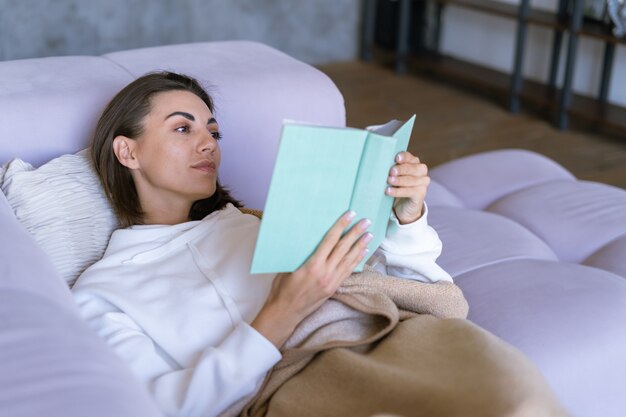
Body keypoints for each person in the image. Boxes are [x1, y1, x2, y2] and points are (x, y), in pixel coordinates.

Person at [71, 71, 453, 417]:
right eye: (183, 130)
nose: (209, 145)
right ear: (128, 152)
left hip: (390, 343)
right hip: (307, 390)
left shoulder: (258, 226)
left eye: (213, 132)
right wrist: (283, 309)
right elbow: (160, 406)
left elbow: (416, 295)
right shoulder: (103, 291)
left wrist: (408, 217)